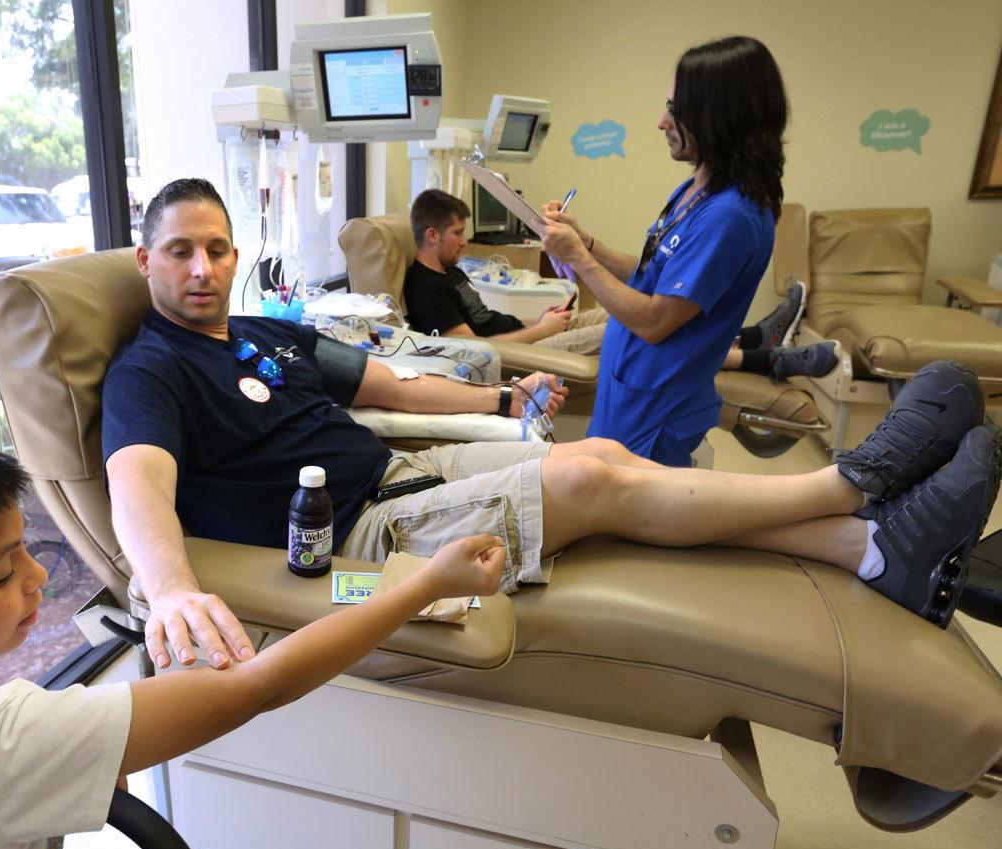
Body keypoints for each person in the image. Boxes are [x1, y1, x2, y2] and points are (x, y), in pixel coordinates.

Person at [102, 176, 1000, 678]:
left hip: (400, 470)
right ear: (148, 260)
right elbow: (137, 480)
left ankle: (870, 551)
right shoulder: (151, 368)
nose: (204, 267)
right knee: (590, 481)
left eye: (217, 247)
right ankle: (851, 485)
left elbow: (394, 384)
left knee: (598, 452)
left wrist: (496, 403)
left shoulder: (262, 331)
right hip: (351, 548)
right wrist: (173, 587)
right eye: (180, 250)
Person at [0, 429, 504, 849]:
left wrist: (65, 756)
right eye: (0, 574)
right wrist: (420, 583)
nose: (36, 581)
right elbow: (261, 686)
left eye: (27, 549)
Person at [543, 36, 795, 465]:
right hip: (628, 393)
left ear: (721, 117)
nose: (662, 122)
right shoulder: (699, 186)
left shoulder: (731, 215)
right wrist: (585, 243)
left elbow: (657, 320)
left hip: (655, 413)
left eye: (677, 112)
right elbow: (652, 274)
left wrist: (580, 261)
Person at [405, 188, 840, 383]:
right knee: (630, 327)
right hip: (516, 357)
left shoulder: (452, 270)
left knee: (617, 310)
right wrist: (541, 332)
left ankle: (754, 340)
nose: (466, 241)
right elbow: (475, 350)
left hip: (525, 334)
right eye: (458, 234)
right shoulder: (426, 286)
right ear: (431, 235)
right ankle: (761, 356)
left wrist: (537, 319)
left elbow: (485, 321)